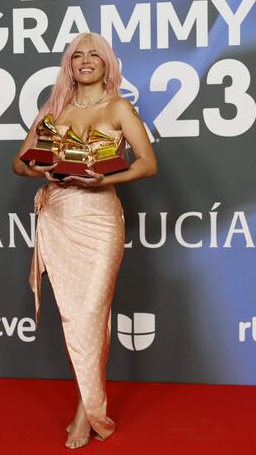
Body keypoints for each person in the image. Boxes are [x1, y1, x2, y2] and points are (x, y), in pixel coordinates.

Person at [12, 32, 158, 449]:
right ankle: (88, 403)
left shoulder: (118, 107)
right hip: (58, 217)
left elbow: (147, 164)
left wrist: (107, 176)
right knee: (74, 317)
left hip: (99, 222)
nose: (86, 60)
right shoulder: (54, 108)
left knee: (91, 314)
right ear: (69, 65)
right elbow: (19, 163)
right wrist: (42, 170)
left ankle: (86, 411)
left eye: (95, 54)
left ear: (107, 63)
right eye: (78, 55)